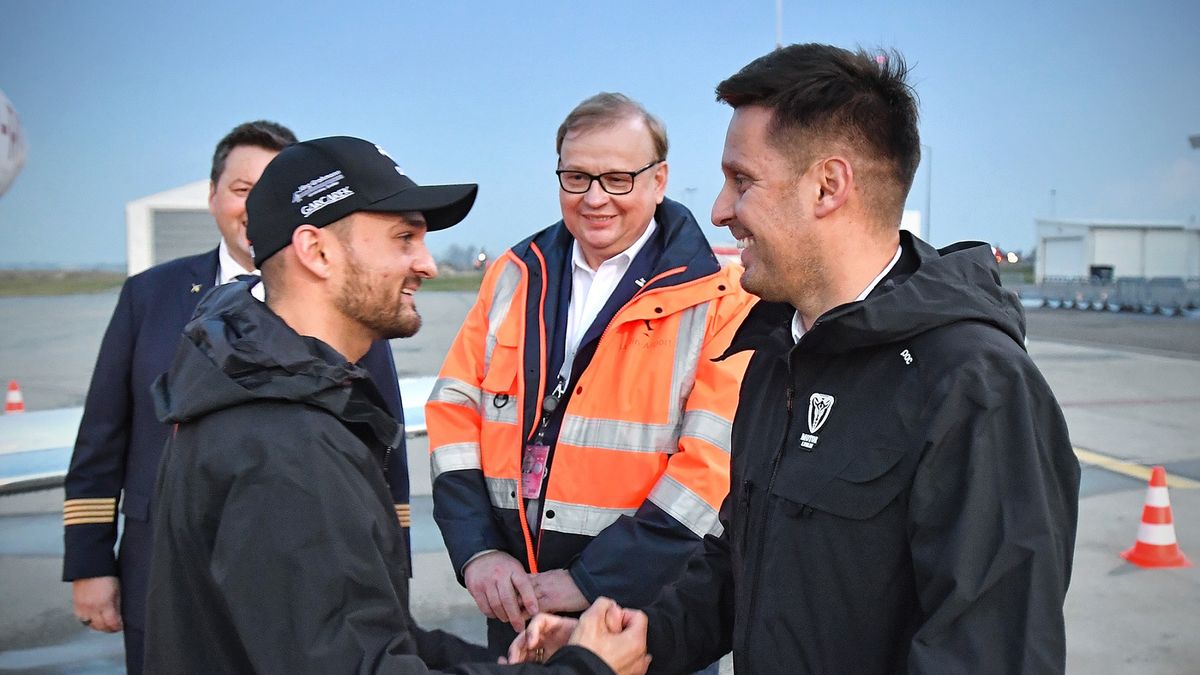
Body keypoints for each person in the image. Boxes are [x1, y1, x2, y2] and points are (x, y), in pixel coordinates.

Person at [511, 44, 1081, 674]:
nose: (720, 210)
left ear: (828, 186)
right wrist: (639, 643)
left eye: (743, 180)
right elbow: (739, 566)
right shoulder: (779, 355)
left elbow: (989, 655)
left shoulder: (974, 386)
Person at [143, 135, 649, 674]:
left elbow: (367, 634)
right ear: (317, 251)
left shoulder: (282, 398)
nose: (426, 264)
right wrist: (586, 670)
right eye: (403, 238)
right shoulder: (285, 448)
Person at [61, 121, 409, 674]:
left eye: (272, 189)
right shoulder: (150, 295)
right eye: (242, 189)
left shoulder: (349, 298)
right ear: (213, 197)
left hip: (317, 580)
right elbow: (104, 434)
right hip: (165, 569)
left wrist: (394, 566)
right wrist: (89, 562)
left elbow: (383, 444)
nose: (254, 206)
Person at [425, 92, 756, 656]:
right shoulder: (513, 274)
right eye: (576, 177)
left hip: (641, 614)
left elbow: (709, 473)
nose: (596, 198)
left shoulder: (720, 299)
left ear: (659, 180)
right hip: (514, 598)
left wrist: (588, 582)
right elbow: (454, 410)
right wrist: (478, 551)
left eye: (619, 178)